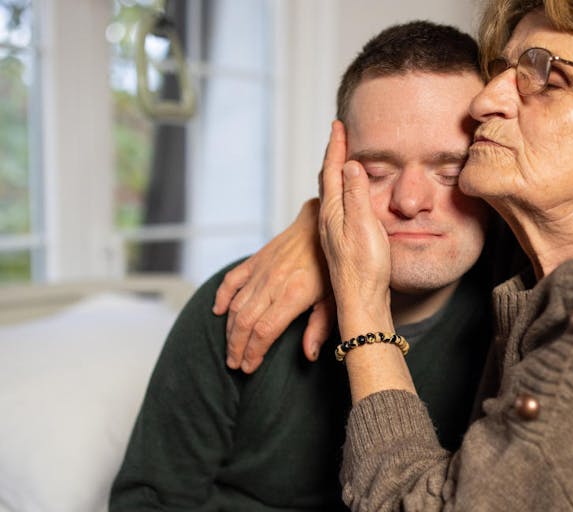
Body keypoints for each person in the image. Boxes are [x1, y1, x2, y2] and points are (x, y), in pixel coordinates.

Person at [220, 0, 573, 509]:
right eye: (504, 71)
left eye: (547, 78)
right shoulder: (536, 274)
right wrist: (322, 220)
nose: (485, 101)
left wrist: (359, 301)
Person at [109, 21, 521, 511]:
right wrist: (320, 221)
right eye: (375, 172)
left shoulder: (526, 314)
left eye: (450, 171)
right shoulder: (243, 304)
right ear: (331, 170)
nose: (410, 201)